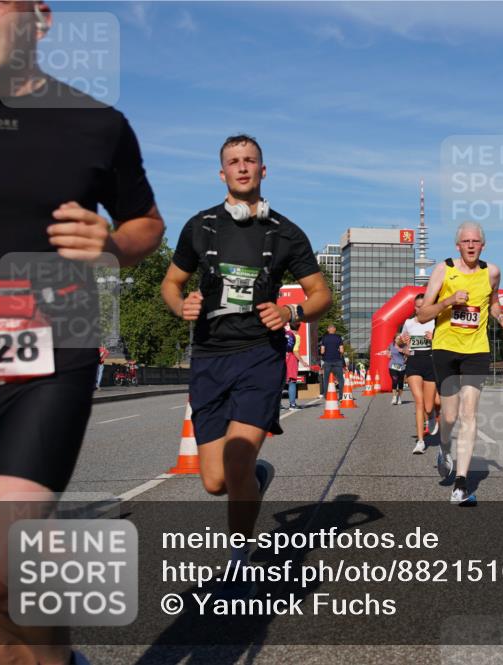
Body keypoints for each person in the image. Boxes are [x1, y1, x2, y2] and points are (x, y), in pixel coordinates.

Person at [0, 3, 165, 663]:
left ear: (40, 19)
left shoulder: (96, 124)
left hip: (50, 352)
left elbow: (147, 223)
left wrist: (110, 244)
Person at [160, 135, 330, 598]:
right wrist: (182, 305)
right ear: (222, 173)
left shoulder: (286, 232)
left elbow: (321, 294)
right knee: (216, 481)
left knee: (235, 459)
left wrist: (292, 313)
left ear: (263, 170)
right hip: (211, 358)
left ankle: (239, 557)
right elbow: (171, 284)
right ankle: (255, 479)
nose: (241, 167)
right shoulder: (200, 227)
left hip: (261, 355)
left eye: (249, 160)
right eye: (233, 162)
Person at [417, 221, 503, 505]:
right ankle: (444, 448)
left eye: (476, 241)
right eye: (466, 241)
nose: (471, 245)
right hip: (446, 348)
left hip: (476, 351)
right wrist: (448, 301)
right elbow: (423, 315)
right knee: (448, 417)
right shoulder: (443, 270)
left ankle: (460, 483)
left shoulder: (492, 272)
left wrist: (501, 317)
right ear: (457, 245)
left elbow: (493, 302)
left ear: (482, 245)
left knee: (469, 415)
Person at [401, 294, 439, 453]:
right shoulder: (408, 323)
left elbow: (446, 342)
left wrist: (434, 338)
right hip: (413, 362)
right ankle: (420, 441)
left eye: (423, 306)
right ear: (414, 307)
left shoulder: (435, 321)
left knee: (429, 406)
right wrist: (403, 343)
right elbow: (400, 340)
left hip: (430, 361)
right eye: (417, 306)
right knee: (419, 401)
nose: (420, 309)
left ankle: (431, 416)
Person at [319, 323, 345, 398]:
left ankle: (326, 395)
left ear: (328, 330)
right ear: (335, 329)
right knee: (340, 379)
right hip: (337, 361)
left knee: (326, 379)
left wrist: (323, 354)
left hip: (327, 361)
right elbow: (342, 350)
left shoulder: (324, 338)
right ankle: (341, 396)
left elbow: (322, 351)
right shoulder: (339, 338)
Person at [283, 324, 301, 409]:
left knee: (280, 382)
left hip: (281, 358)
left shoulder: (284, 333)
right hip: (291, 359)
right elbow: (295, 350)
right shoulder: (296, 336)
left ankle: (277, 405)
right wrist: (302, 361)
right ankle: (292, 404)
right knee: (292, 381)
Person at [388, 334, 409, 405]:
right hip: (393, 366)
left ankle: (399, 397)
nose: (398, 339)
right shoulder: (391, 345)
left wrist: (403, 352)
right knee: (394, 380)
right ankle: (394, 397)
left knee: (400, 383)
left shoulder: (404, 346)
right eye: (397, 338)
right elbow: (388, 352)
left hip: (402, 366)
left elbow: (408, 355)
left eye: (400, 338)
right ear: (394, 339)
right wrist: (388, 354)